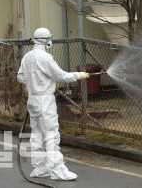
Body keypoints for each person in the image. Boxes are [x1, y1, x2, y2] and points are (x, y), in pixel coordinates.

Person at [17, 28, 90, 180]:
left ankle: (40, 168)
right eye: (49, 38)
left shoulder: (28, 56)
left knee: (37, 134)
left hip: (33, 99)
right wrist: (79, 75)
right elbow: (61, 75)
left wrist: (32, 84)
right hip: (44, 100)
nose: (50, 40)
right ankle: (58, 170)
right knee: (51, 135)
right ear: (45, 40)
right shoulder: (45, 57)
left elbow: (20, 76)